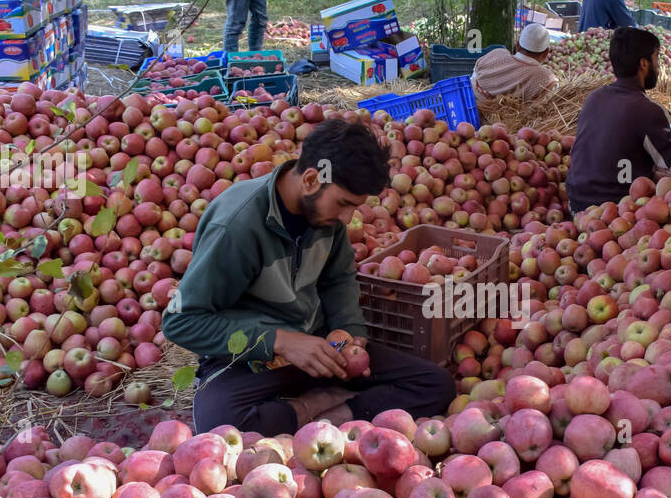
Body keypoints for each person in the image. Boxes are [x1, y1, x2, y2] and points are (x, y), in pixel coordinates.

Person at [162, 119, 456, 435]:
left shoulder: (326, 219)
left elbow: (338, 278)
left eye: (354, 207)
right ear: (312, 179)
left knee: (436, 385)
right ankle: (322, 406)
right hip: (252, 357)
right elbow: (180, 321)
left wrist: (347, 330)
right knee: (220, 423)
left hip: (320, 348)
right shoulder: (237, 226)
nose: (347, 219)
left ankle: (320, 412)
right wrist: (280, 342)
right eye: (343, 204)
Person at [565, 26, 671, 216]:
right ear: (644, 64)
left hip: (576, 205)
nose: (658, 66)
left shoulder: (593, 98)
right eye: (656, 58)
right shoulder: (650, 111)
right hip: (615, 212)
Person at [470, 23, 558, 101]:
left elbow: (473, 80)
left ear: (517, 46)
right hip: (508, 118)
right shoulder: (547, 79)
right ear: (546, 52)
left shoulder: (495, 54)